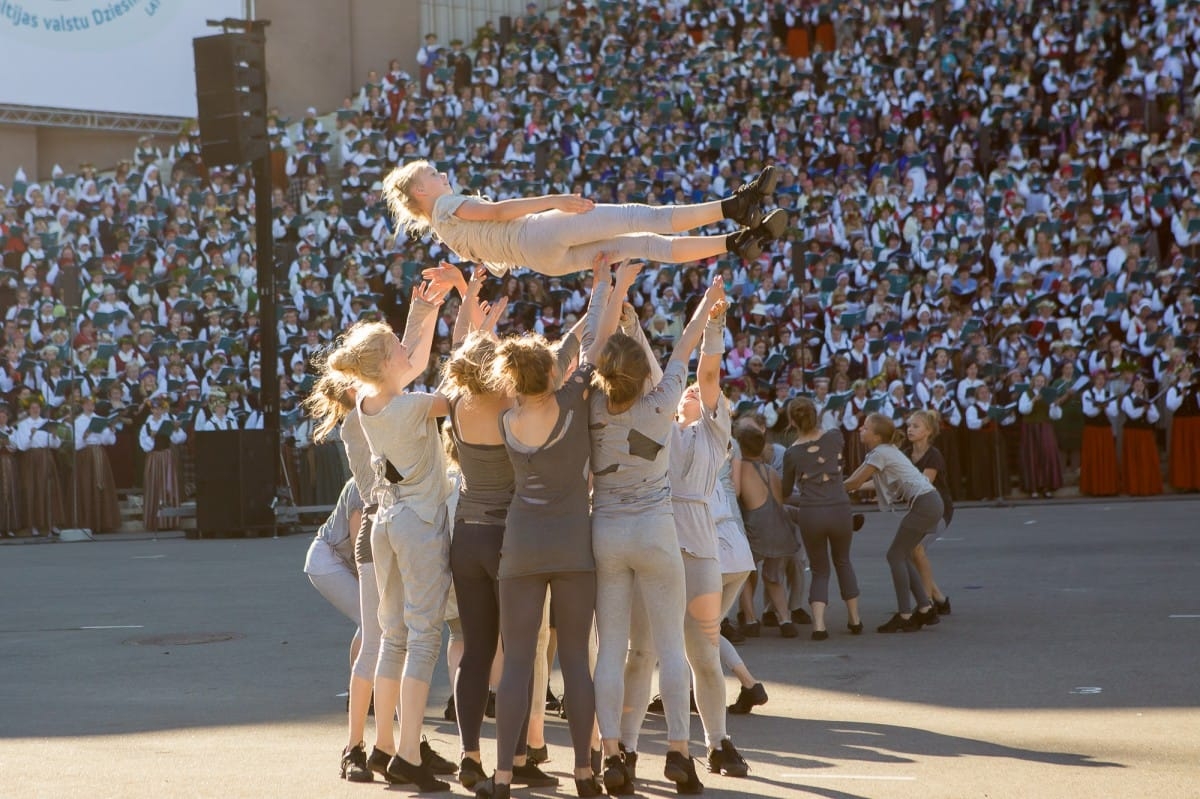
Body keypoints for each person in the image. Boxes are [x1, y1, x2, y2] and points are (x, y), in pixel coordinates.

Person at [474, 258, 625, 799]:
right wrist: (605, 291)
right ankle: (585, 772)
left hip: (521, 546)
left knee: (517, 662)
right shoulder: (571, 399)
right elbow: (598, 341)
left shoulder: (507, 419)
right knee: (574, 665)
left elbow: (557, 357)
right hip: (571, 543)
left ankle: (503, 776)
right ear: (553, 373)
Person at [321, 271, 459, 792]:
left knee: (393, 640)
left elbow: (412, 364)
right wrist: (463, 332)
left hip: (385, 524)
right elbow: (454, 393)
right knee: (423, 637)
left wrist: (422, 315)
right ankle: (405, 755)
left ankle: (383, 748)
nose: (407, 351)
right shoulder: (412, 406)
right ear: (384, 364)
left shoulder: (369, 403)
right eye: (397, 348)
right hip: (419, 525)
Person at [588, 268, 722, 795]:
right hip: (655, 529)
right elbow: (686, 344)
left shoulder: (591, 403)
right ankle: (678, 752)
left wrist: (612, 298)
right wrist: (709, 301)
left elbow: (595, 346)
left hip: (608, 530)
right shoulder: (663, 399)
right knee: (670, 647)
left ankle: (614, 753)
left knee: (614, 649)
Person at [618, 275, 750, 787]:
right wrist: (632, 327)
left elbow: (707, 371)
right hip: (654, 541)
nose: (692, 390)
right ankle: (626, 748)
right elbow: (659, 374)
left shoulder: (714, 434)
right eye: (687, 390)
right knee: (641, 652)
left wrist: (713, 325)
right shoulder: (659, 425)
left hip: (697, 549)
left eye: (699, 391)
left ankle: (717, 742)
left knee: (704, 653)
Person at [439, 267, 558, 791]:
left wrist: (472, 312)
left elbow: (460, 356)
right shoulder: (512, 405)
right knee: (520, 652)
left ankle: (469, 755)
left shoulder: (457, 405)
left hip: (466, 536)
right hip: (509, 539)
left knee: (477, 650)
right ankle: (515, 756)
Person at [381, 160, 786, 277]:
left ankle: (735, 243)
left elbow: (495, 265)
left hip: (543, 262)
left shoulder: (444, 232)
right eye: (431, 174)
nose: (441, 174)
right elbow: (500, 211)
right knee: (637, 217)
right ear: (421, 192)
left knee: (644, 246)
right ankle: (734, 207)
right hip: (538, 232)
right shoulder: (447, 205)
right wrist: (554, 199)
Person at [844, 413, 944, 633]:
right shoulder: (884, 451)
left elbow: (855, 481)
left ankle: (905, 614)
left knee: (895, 555)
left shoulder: (879, 453)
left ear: (877, 436)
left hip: (925, 504)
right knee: (902, 554)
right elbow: (860, 483)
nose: (861, 429)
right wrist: (846, 486)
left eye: (865, 427)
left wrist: (827, 488)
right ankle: (926, 609)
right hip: (930, 502)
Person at [781, 396, 862, 640]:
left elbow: (785, 492)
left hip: (811, 513)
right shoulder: (835, 437)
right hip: (839, 508)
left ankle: (819, 625)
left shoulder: (792, 453)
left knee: (819, 568)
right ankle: (855, 619)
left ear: (792, 421)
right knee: (843, 561)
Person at [733, 424, 800, 638]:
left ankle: (751, 619)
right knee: (773, 577)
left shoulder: (740, 468)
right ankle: (785, 619)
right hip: (780, 527)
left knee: (742, 574)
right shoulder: (770, 470)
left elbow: (735, 494)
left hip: (756, 527)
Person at [904, 410, 954, 616]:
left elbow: (923, 484)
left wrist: (893, 488)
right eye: (909, 425)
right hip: (919, 511)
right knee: (910, 552)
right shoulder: (905, 454)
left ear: (928, 431)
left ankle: (927, 603)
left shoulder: (933, 455)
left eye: (916, 426)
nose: (910, 429)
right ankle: (940, 599)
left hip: (938, 510)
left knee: (915, 549)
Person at [14, 395, 65, 537]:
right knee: (34, 490)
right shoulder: (24, 424)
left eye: (37, 407)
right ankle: (34, 524)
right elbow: (22, 446)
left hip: (46, 457)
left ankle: (52, 523)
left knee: (50, 489)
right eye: (32, 408)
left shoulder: (47, 422)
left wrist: (54, 436)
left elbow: (57, 444)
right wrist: (31, 436)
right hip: (31, 459)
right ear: (28, 410)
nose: (35, 410)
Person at [72, 394, 120, 533]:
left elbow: (108, 441)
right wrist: (85, 436)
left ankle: (104, 522)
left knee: (102, 485)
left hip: (99, 453)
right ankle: (89, 522)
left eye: (92, 404)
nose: (90, 406)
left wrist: (110, 430)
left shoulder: (99, 419)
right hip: (86, 455)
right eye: (87, 403)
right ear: (83, 405)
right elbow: (76, 444)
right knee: (88, 486)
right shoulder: (78, 421)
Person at [139, 396, 187, 533]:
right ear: (151, 410)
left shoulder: (167, 422)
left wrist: (176, 429)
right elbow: (145, 447)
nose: (157, 411)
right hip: (154, 457)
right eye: (155, 409)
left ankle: (170, 520)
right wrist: (151, 437)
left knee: (168, 486)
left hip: (166, 457)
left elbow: (179, 439)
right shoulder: (147, 426)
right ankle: (154, 520)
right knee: (154, 485)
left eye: (160, 408)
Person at [1017, 372, 1064, 498]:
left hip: (1045, 427)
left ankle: (1047, 487)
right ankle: (1033, 488)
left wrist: (1055, 405)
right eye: (1038, 381)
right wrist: (1033, 400)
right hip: (1031, 429)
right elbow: (1023, 410)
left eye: (1042, 381)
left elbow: (1056, 415)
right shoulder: (1026, 394)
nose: (1040, 383)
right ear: (1033, 382)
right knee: (1032, 457)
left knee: (1047, 455)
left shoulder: (1049, 395)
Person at [1120, 374, 1162, 497]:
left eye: (1141, 385)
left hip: (1145, 433)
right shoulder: (1128, 399)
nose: (1139, 387)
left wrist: (1148, 409)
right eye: (1137, 385)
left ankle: (1147, 486)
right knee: (1134, 460)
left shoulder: (1146, 399)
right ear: (1133, 386)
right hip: (1132, 432)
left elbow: (1155, 417)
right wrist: (1143, 409)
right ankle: (1134, 487)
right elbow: (1133, 414)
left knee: (1146, 459)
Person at [1079, 370, 1120, 497]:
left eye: (1103, 379)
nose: (1101, 381)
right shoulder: (1087, 393)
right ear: (1094, 380)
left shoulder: (1109, 393)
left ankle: (1107, 487)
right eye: (1098, 379)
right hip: (1092, 429)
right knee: (1093, 457)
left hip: (1105, 429)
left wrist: (1105, 407)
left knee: (1106, 458)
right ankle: (1093, 487)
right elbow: (1087, 411)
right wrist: (1098, 407)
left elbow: (1114, 412)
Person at [1166, 364, 1200, 492]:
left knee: (1196, 451)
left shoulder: (1195, 388)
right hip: (1181, 423)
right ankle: (1183, 482)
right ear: (1178, 374)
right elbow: (1171, 406)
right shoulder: (1174, 389)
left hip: (1195, 422)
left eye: (1188, 371)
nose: (1186, 374)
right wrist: (1182, 396)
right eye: (1183, 372)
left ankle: (1196, 482)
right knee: (1182, 451)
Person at [0, 404, 22, 537]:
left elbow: (16, 445)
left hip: (9, 462)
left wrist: (8, 444)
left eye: (4, 417)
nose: (2, 419)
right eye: (0, 417)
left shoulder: (11, 430)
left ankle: (9, 527)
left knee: (10, 493)